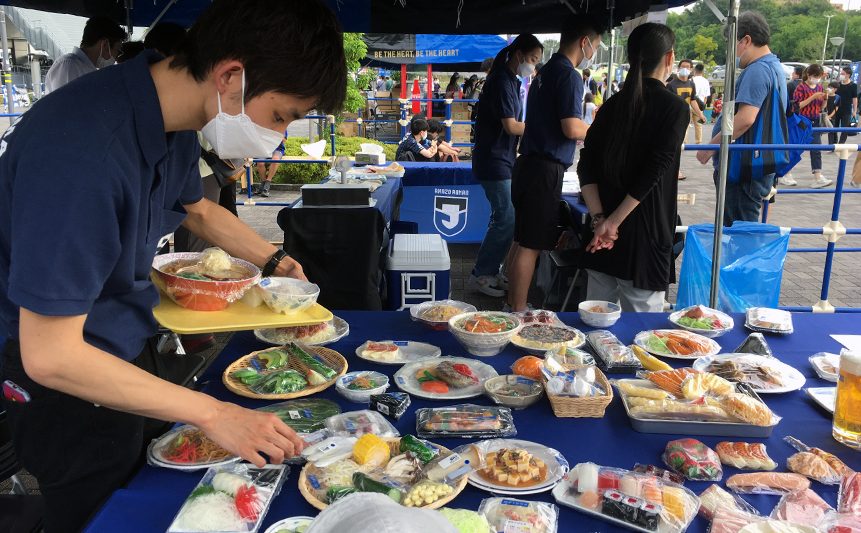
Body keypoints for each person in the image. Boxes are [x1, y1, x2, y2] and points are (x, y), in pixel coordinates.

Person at [0, 1, 346, 530]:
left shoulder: (176, 118)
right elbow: (49, 354)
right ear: (231, 75)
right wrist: (215, 414)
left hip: (124, 342)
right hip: (61, 378)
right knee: (104, 510)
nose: (276, 137)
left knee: (154, 478)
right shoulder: (82, 152)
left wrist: (276, 260)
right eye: (280, 117)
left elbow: (200, 209)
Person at [577, 22, 688, 312]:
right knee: (639, 336)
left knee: (596, 324)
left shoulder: (612, 105)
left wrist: (601, 220)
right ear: (669, 58)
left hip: (602, 238)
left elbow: (585, 164)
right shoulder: (674, 108)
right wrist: (611, 223)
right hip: (645, 239)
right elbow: (655, 171)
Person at [507, 17, 603, 312]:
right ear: (584, 42)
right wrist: (602, 131)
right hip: (543, 169)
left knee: (521, 240)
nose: (595, 51)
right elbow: (572, 128)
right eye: (596, 45)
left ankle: (511, 303)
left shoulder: (544, 71)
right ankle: (519, 311)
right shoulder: (569, 76)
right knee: (530, 245)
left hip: (528, 165)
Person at [468, 34, 542, 298]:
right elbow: (511, 126)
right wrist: (542, 129)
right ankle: (482, 274)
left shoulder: (510, 79)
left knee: (502, 217)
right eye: (532, 59)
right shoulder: (501, 80)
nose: (533, 66)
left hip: (502, 158)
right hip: (493, 160)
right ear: (519, 55)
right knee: (506, 218)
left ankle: (489, 270)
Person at [696, 11, 787, 226]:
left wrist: (710, 147)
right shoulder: (775, 67)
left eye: (731, 43)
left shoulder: (757, 70)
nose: (731, 51)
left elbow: (745, 118)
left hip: (744, 168)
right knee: (746, 229)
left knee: (738, 232)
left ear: (746, 40)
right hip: (758, 165)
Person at [44, 16, 126, 93]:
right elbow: (66, 106)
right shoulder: (69, 66)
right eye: (118, 51)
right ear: (105, 45)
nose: (116, 58)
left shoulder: (84, 68)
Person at [793, 64, 832, 188]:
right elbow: (797, 106)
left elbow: (822, 107)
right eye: (815, 76)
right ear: (809, 75)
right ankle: (785, 173)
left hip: (815, 120)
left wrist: (825, 99)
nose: (817, 79)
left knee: (816, 148)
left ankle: (818, 176)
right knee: (796, 148)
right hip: (802, 120)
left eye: (819, 76)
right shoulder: (801, 87)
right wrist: (813, 97)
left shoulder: (820, 87)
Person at [668, 58, 706, 142]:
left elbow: (693, 100)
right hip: (674, 117)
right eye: (682, 67)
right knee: (675, 140)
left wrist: (700, 114)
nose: (685, 69)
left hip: (686, 115)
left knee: (683, 140)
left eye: (687, 67)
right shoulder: (671, 85)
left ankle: (697, 143)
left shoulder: (691, 84)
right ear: (678, 68)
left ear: (691, 69)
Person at [834, 66, 859, 144]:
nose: (841, 75)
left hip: (847, 110)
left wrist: (854, 111)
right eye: (841, 73)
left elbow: (854, 99)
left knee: (845, 128)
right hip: (836, 109)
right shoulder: (837, 84)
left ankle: (841, 144)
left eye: (842, 73)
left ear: (848, 75)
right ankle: (833, 144)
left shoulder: (853, 86)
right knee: (834, 128)